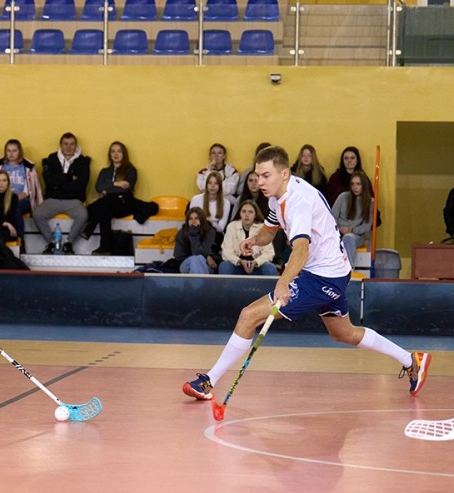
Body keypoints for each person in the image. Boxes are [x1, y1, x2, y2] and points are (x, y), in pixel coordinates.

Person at [183, 145, 430, 402]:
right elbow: (269, 230)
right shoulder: (276, 196)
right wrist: (254, 240)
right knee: (343, 332)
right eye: (257, 176)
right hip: (331, 271)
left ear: (284, 173)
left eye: (266, 175)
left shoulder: (298, 202)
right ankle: (411, 360)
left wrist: (283, 283)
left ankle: (209, 382)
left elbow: (301, 248)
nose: (260, 182)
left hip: (323, 275)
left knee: (249, 315)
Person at [32, 132, 90, 254]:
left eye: (72, 144)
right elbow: (49, 181)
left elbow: (81, 184)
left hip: (74, 200)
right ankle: (51, 243)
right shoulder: (51, 159)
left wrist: (58, 184)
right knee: (37, 214)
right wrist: (69, 177)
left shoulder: (83, 162)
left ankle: (69, 243)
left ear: (76, 146)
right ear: (60, 145)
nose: (68, 147)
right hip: (53, 199)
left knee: (83, 215)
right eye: (65, 144)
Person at [83, 141, 138, 254]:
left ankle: (90, 228)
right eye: (113, 151)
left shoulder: (130, 170)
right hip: (108, 204)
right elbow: (98, 187)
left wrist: (107, 189)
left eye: (119, 151)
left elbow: (126, 188)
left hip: (123, 203)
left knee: (106, 200)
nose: (116, 154)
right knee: (104, 209)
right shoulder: (104, 171)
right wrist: (115, 183)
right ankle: (105, 246)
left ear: (124, 154)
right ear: (110, 154)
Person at [0, 138, 43, 248]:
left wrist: (12, 198)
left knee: (16, 206)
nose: (11, 153)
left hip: (22, 199)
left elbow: (29, 190)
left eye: (14, 150)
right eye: (9, 151)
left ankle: (20, 239)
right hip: (1, 199)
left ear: (19, 151)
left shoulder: (27, 168)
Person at [218, 200, 278, 276]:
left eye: (250, 212)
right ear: (240, 213)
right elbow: (226, 252)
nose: (246, 215)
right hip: (237, 265)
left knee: (270, 268)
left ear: (255, 214)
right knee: (224, 266)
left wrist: (256, 262)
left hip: (257, 267)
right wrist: (240, 261)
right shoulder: (232, 226)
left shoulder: (262, 228)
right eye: (244, 211)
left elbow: (269, 253)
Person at [332, 170, 374, 266]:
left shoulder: (370, 202)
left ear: (364, 185)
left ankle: (348, 268)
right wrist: (339, 229)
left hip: (357, 236)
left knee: (349, 238)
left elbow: (366, 226)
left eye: (358, 184)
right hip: (338, 233)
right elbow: (332, 217)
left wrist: (352, 230)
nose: (355, 187)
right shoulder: (342, 197)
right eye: (353, 184)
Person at [173, 206, 216, 274]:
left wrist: (193, 234)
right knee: (196, 259)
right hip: (186, 264)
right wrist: (206, 256)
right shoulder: (182, 232)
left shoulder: (210, 232)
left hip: (206, 264)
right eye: (190, 219)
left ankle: (196, 281)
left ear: (202, 220)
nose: (193, 221)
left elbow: (202, 251)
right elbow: (178, 255)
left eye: (196, 218)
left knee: (198, 259)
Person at [189, 170, 234, 235]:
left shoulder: (226, 203)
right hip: (197, 231)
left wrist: (209, 223)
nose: (212, 186)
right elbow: (191, 221)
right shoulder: (195, 199)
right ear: (206, 185)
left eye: (216, 183)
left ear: (220, 186)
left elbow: (221, 228)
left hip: (215, 233)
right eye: (210, 183)